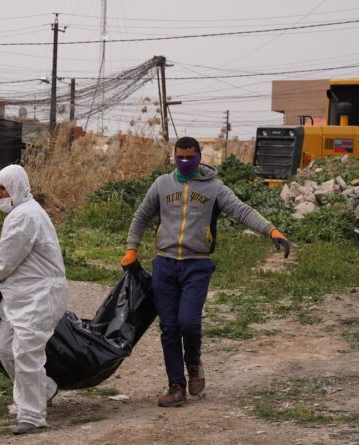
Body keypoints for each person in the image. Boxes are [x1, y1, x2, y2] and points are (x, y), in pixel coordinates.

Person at [120, 136, 290, 408]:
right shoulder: (162, 185)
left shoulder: (214, 188)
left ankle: (194, 362)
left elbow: (241, 211)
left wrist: (270, 230)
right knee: (169, 327)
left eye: (190, 157)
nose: (185, 162)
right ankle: (176, 386)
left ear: (200, 157)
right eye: (180, 157)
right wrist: (132, 248)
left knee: (188, 321)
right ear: (173, 157)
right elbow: (141, 216)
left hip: (196, 264)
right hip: (164, 264)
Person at [0, 164, 67, 434]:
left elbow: (5, 260)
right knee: (4, 348)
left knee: (27, 353)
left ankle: (32, 417)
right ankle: (44, 389)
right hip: (21, 296)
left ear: (17, 188)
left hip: (38, 296)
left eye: (3, 188)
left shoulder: (25, 217)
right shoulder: (23, 212)